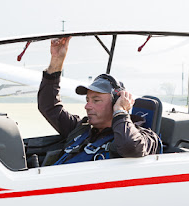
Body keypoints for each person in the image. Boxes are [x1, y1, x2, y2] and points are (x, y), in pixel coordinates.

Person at [37, 36, 159, 165]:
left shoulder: (144, 138)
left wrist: (120, 111)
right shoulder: (81, 130)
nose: (87, 106)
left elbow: (130, 147)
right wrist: (57, 60)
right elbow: (49, 106)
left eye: (96, 100)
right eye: (87, 100)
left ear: (115, 102)